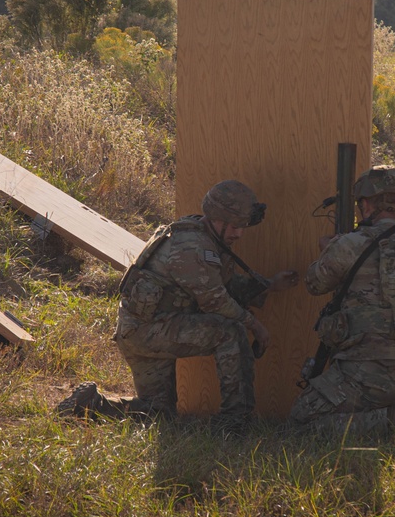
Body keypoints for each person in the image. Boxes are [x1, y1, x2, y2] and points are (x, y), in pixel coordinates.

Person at [57, 180, 299, 434]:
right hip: (149, 331)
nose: (239, 234)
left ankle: (90, 405)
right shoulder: (192, 245)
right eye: (236, 227)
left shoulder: (200, 235)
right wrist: (255, 325)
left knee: (159, 414)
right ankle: (235, 422)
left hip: (142, 329)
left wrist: (269, 285)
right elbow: (214, 299)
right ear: (219, 219)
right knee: (231, 332)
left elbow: (221, 285)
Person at [288, 166, 395, 440]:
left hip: (371, 372)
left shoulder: (351, 244)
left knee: (300, 424)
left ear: (368, 202)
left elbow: (314, 283)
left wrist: (328, 250)